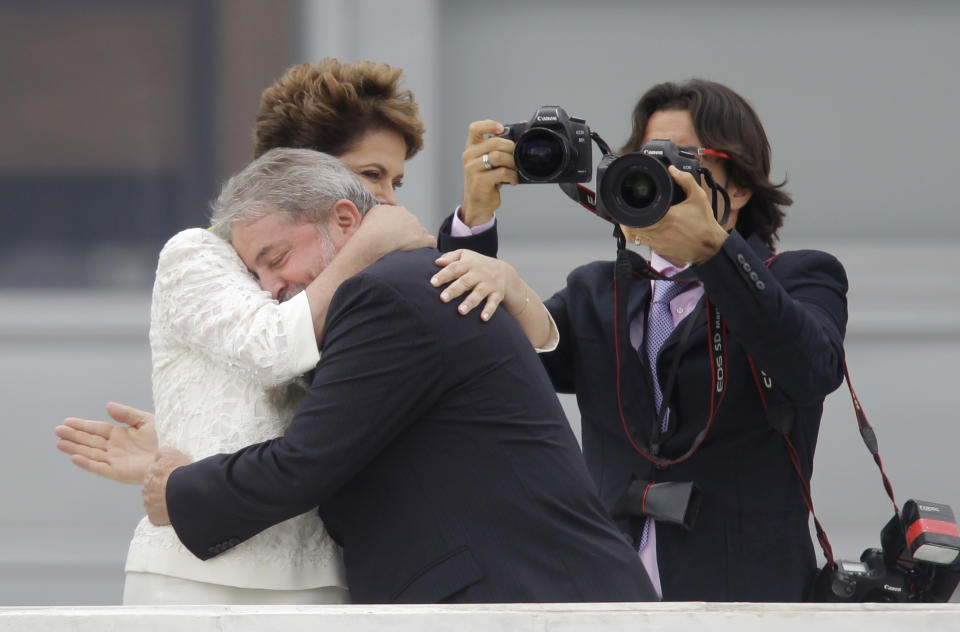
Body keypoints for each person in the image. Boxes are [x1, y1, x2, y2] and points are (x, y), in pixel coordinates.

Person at [54, 58, 553, 603]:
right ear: (297, 173)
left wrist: (478, 235)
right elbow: (272, 348)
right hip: (202, 571)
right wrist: (364, 246)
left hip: (327, 571)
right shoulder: (199, 251)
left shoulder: (360, 285)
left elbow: (430, 362)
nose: (386, 202)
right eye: (369, 176)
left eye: (395, 180)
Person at [140, 147, 657, 604]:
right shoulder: (402, 286)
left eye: (276, 259)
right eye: (255, 276)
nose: (270, 287)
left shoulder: (387, 295)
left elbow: (306, 463)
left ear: (345, 220)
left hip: (527, 599)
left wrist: (179, 492)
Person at [430, 79, 849, 602]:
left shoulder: (799, 277)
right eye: (646, 159)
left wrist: (714, 252)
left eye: (683, 162)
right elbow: (475, 362)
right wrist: (475, 222)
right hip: (605, 590)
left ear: (739, 187)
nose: (662, 177)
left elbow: (811, 369)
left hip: (743, 598)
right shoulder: (595, 291)